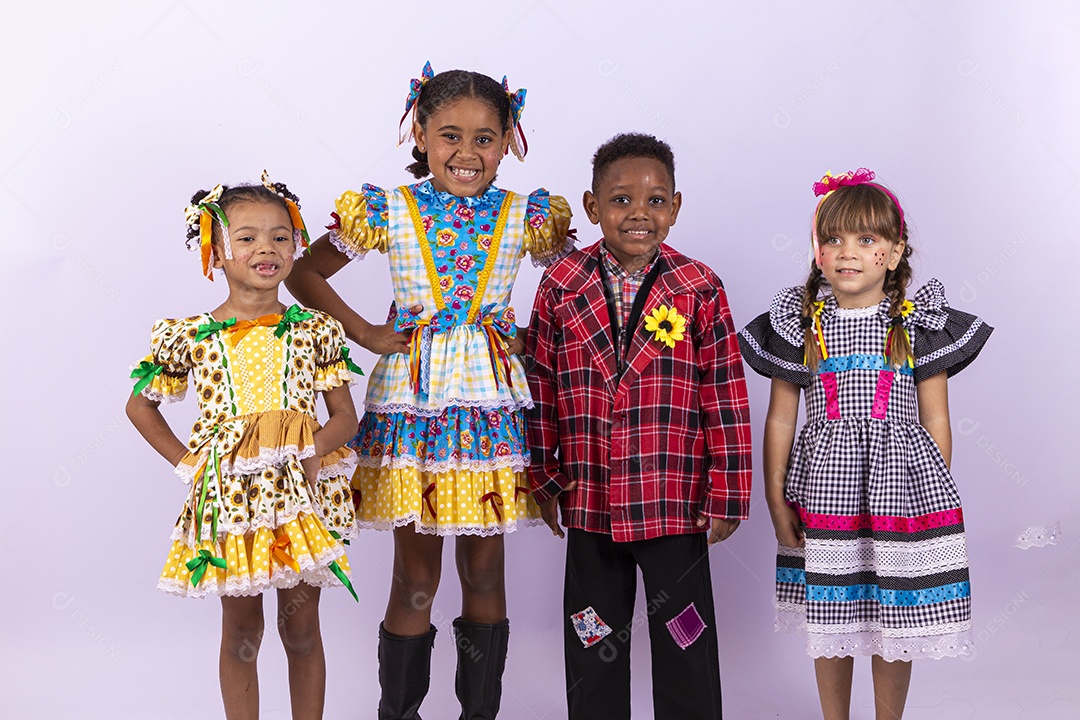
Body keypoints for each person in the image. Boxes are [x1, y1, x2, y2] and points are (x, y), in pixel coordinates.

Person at [286, 62, 574, 720]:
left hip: (490, 408)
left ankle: (479, 713)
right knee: (416, 575)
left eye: (484, 138)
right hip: (413, 405)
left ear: (508, 141)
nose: (467, 153)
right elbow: (305, 274)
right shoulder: (389, 209)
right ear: (419, 135)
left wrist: (534, 337)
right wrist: (364, 331)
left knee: (484, 571)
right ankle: (400, 713)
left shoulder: (526, 215)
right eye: (450, 135)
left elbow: (575, 286)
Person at [738, 169, 993, 720]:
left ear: (894, 253)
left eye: (866, 238)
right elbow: (781, 420)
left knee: (893, 617)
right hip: (825, 495)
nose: (847, 251)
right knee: (831, 615)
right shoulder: (802, 327)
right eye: (833, 239)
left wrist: (927, 497)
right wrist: (776, 498)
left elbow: (936, 419)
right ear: (817, 252)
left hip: (899, 495)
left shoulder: (917, 325)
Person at [526, 132, 752, 720]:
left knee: (685, 636)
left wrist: (727, 491)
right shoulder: (562, 284)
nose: (639, 214)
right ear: (592, 206)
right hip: (590, 494)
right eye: (621, 199)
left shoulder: (698, 286)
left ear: (675, 208)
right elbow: (540, 385)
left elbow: (725, 392)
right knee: (592, 636)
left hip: (673, 497)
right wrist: (544, 477)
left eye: (655, 201)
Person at [126, 173, 361, 720]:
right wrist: (191, 463)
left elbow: (345, 417)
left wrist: (310, 450)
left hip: (301, 497)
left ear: (296, 246)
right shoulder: (192, 335)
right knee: (242, 632)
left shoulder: (316, 330)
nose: (266, 249)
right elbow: (140, 406)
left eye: (280, 237)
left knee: (301, 629)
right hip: (233, 502)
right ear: (216, 251)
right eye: (248, 238)